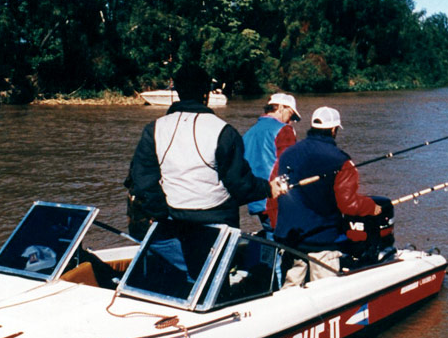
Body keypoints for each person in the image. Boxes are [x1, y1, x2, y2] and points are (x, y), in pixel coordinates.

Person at [125, 64, 286, 237]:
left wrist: (161, 213)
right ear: (206, 94)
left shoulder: (154, 129)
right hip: (216, 222)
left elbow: (142, 180)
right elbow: (240, 185)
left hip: (169, 222)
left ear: (177, 91)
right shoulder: (224, 131)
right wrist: (268, 188)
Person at [271, 106, 383, 286]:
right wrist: (372, 207)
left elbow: (273, 191)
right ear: (334, 130)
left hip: (290, 238)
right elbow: (348, 204)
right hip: (323, 241)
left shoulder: (287, 154)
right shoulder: (341, 160)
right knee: (325, 292)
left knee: (290, 290)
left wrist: (279, 227)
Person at [242, 93, 300, 233]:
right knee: (282, 243)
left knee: (270, 238)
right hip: (276, 200)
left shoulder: (249, 133)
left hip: (255, 200)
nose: (291, 122)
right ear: (280, 108)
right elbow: (292, 166)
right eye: (291, 116)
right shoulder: (284, 130)